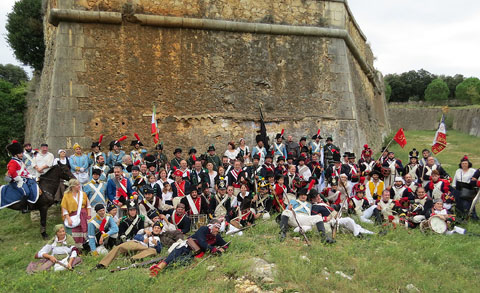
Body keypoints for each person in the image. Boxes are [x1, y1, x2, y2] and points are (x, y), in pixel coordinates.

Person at [149, 219, 228, 276]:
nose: (217, 230)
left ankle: (164, 270)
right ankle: (158, 268)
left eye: (218, 228)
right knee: (174, 255)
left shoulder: (217, 236)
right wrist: (213, 249)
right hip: (186, 246)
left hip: (194, 253)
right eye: (216, 227)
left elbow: (226, 244)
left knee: (182, 262)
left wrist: (223, 249)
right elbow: (202, 242)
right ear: (211, 226)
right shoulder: (203, 229)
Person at [96, 221, 163, 269]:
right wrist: (143, 238)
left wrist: (156, 244)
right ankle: (103, 263)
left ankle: (132, 259)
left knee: (153, 251)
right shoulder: (147, 232)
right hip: (137, 243)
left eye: (158, 228)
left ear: (160, 231)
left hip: (145, 249)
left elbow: (159, 250)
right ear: (153, 228)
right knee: (120, 247)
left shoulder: (158, 239)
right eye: (155, 228)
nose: (156, 229)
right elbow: (136, 236)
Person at [4, 140, 39, 213]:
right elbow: (12, 172)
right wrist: (19, 179)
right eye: (20, 153)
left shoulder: (20, 161)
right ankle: (23, 208)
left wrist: (30, 176)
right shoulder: (13, 162)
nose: (22, 155)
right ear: (15, 154)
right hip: (16, 181)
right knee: (26, 192)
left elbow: (24, 171)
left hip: (24, 179)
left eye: (22, 153)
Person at [61, 178, 91, 246]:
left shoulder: (83, 194)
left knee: (83, 231)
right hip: (72, 216)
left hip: (83, 216)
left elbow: (88, 206)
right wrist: (68, 218)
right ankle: (74, 247)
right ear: (72, 186)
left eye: (79, 184)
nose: (79, 186)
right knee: (74, 232)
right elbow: (64, 208)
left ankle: (83, 247)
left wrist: (89, 216)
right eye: (77, 185)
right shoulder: (66, 195)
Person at [452, 156, 477, 220]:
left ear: (468, 164)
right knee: (458, 203)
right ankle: (460, 216)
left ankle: (471, 217)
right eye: (463, 163)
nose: (464, 165)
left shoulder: (472, 171)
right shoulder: (458, 170)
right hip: (458, 189)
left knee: (467, 204)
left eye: (465, 163)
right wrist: (454, 186)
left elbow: (476, 178)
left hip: (467, 190)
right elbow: (455, 180)